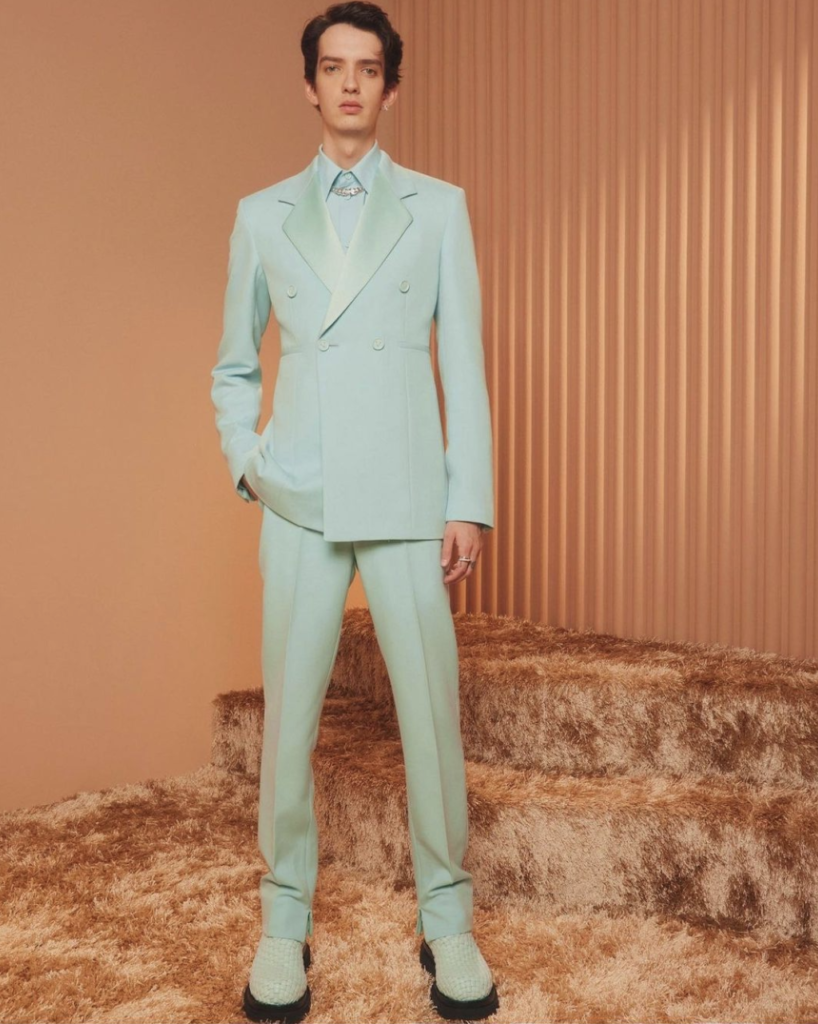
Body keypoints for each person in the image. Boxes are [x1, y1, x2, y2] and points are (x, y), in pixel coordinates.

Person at [210, 3, 498, 1020]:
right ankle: (282, 918)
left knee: (430, 720)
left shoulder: (439, 208)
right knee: (288, 724)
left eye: (366, 69)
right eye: (331, 68)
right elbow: (234, 365)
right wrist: (251, 463)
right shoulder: (260, 215)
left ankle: (447, 916)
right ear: (309, 85)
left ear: (390, 88)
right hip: (299, 500)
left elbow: (462, 363)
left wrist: (468, 500)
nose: (347, 84)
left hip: (410, 500)